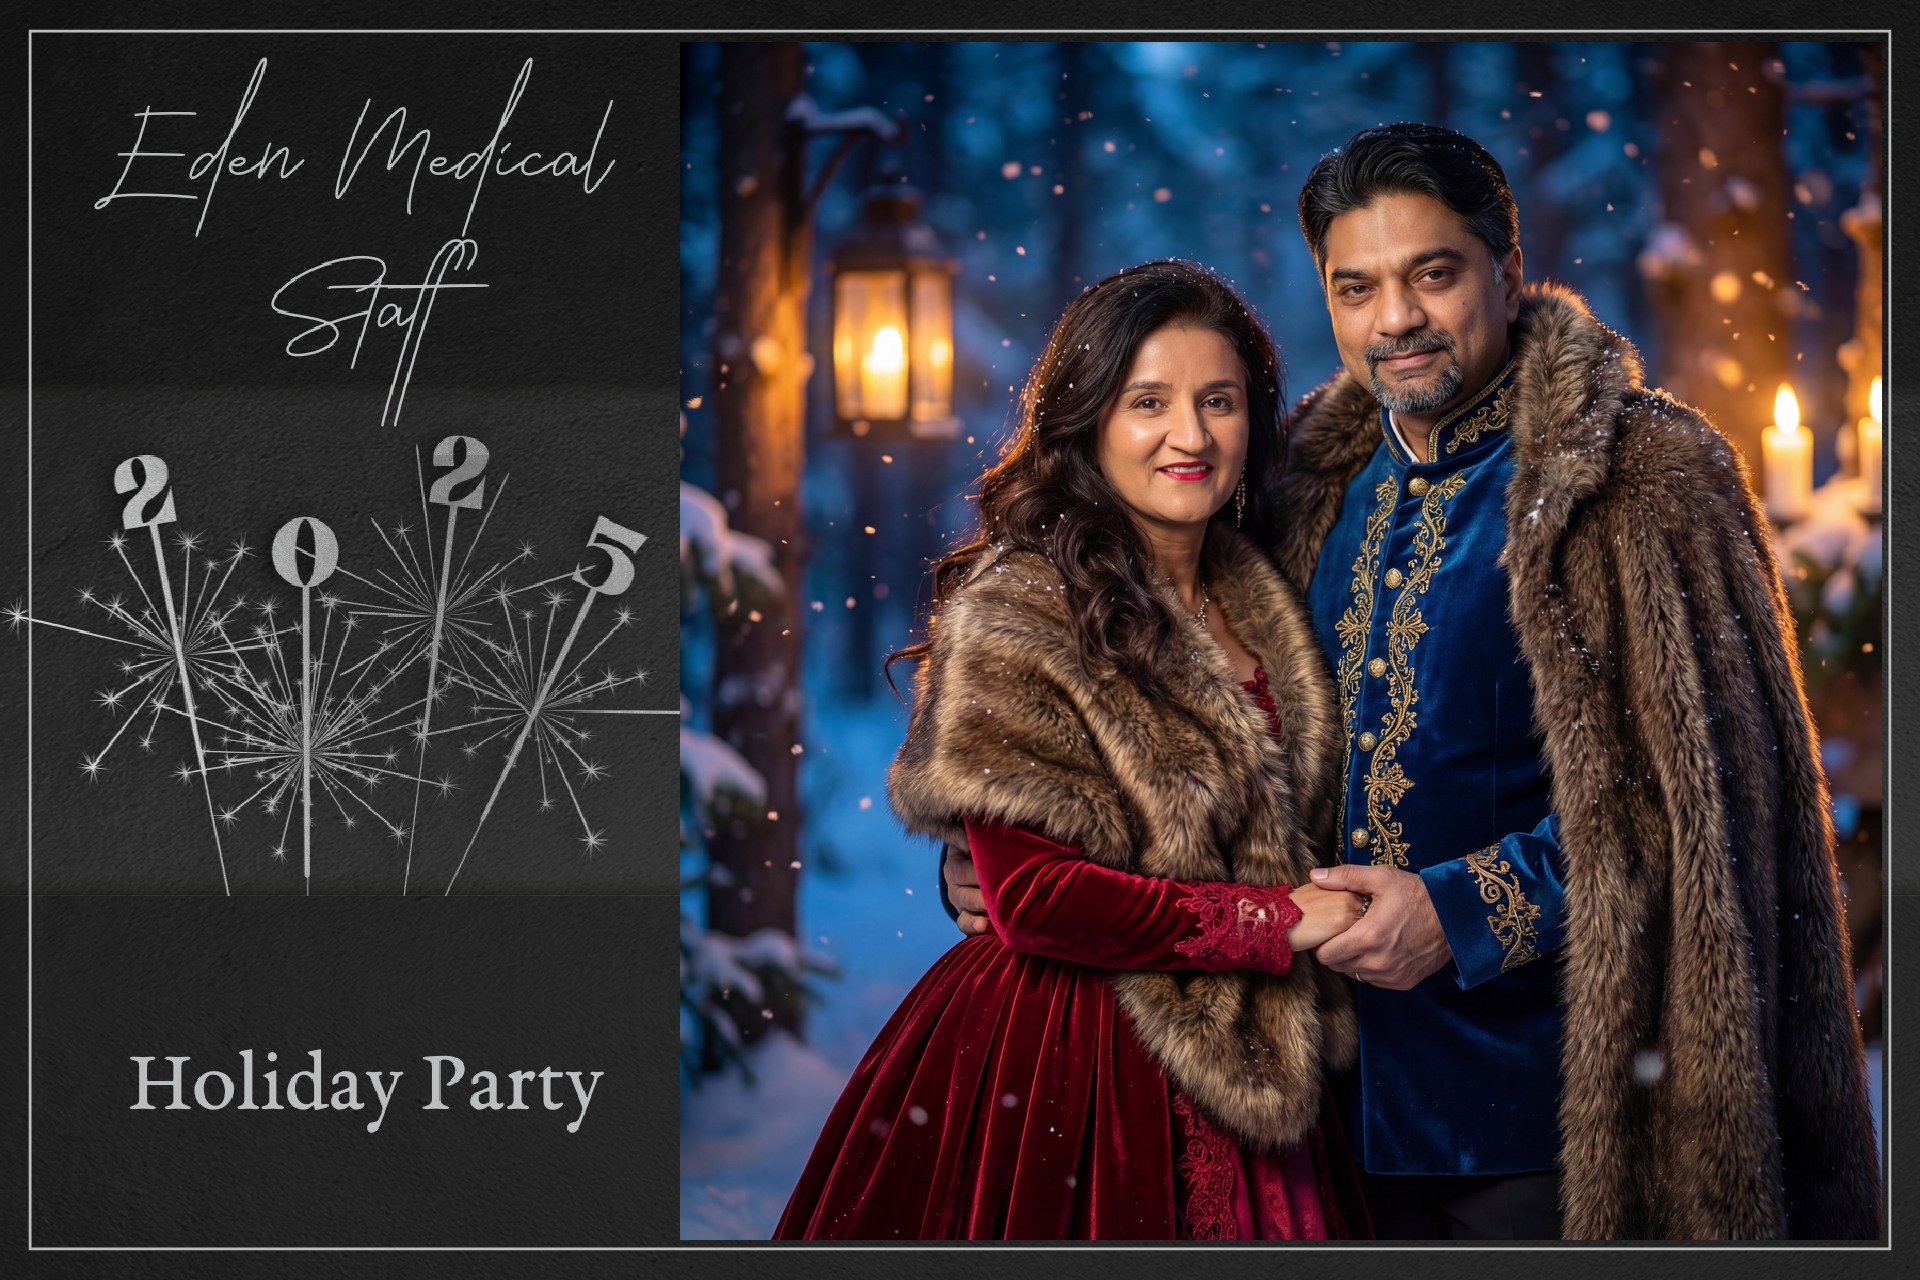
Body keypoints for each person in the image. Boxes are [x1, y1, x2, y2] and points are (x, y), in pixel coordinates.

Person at [944, 123, 1880, 1241]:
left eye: (1432, 273)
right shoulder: (1299, 492)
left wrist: (1463, 908)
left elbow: (1717, 807)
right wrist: (1022, 838)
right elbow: (1180, 720)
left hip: (1554, 1114)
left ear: (1508, 270)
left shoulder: (1639, 481)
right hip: (1315, 1119)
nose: (1395, 319)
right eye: (1357, 286)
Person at [776, 260, 1372, 1240]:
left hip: (1259, 1054)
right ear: (1088, 419)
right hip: (1069, 1052)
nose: (1191, 434)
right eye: (1149, 402)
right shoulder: (1019, 608)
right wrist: (1271, 917)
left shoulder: (1268, 591)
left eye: (1218, 400)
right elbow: (1037, 896)